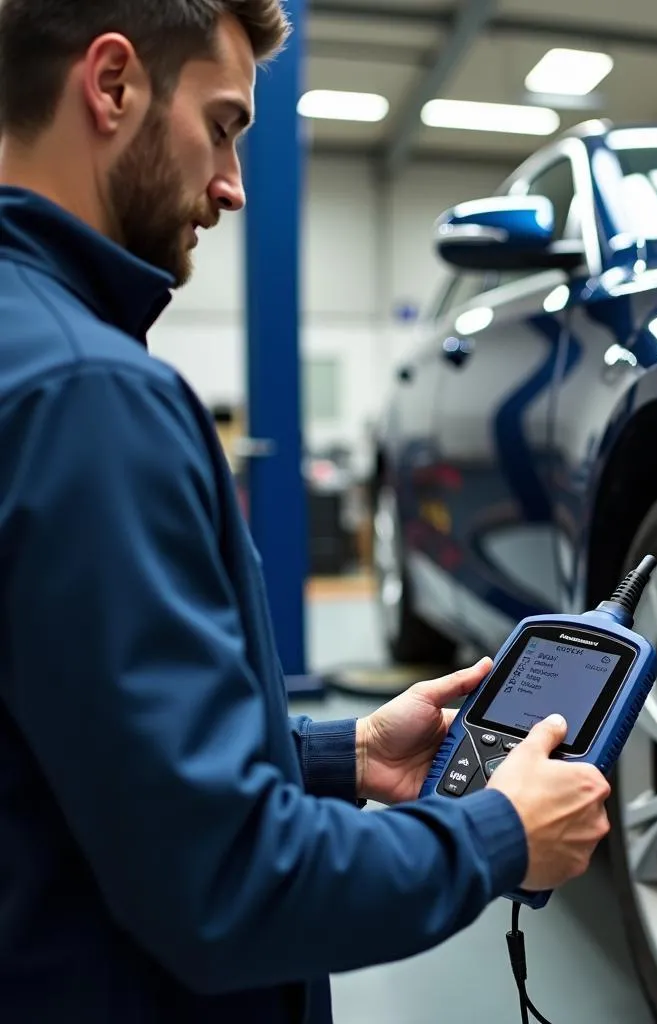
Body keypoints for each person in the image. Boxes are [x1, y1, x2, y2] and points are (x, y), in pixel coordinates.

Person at [0, 2, 612, 1022]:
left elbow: (80, 741)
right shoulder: (86, 394)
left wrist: (341, 755)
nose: (235, 184)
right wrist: (500, 833)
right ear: (112, 86)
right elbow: (227, 888)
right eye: (226, 123)